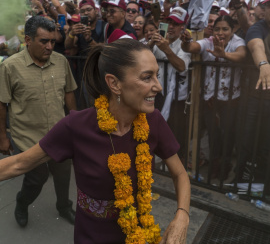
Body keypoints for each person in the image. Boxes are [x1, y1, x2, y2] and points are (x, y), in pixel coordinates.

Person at [0, 39, 191, 244]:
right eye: (147, 77)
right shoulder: (76, 126)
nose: (158, 86)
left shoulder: (154, 121)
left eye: (157, 76)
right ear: (114, 83)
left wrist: (182, 215)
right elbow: (19, 164)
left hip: (139, 233)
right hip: (91, 236)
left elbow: (180, 174)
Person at [0, 16, 77, 227]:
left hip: (59, 136)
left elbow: (69, 92)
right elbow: (2, 103)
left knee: (63, 175)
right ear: (27, 40)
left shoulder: (61, 62)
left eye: (52, 41)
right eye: (44, 41)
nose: (50, 46)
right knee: (37, 177)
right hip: (28, 139)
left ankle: (64, 206)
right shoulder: (10, 67)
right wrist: (2, 137)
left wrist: (77, 123)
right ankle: (22, 203)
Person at [181, 15, 247, 180]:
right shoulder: (208, 41)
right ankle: (215, 165)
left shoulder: (237, 42)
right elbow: (191, 48)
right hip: (210, 99)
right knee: (213, 134)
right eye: (217, 29)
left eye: (225, 29)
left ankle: (224, 165)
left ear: (232, 30)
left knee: (227, 134)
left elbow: (241, 56)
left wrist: (224, 54)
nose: (220, 32)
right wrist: (186, 42)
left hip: (231, 99)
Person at [237, 0, 270, 195]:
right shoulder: (258, 28)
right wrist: (264, 64)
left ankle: (263, 185)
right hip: (256, 98)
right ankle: (241, 181)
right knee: (247, 139)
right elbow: (256, 46)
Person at [151, 7, 191, 158]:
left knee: (173, 133)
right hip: (156, 93)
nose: (172, 27)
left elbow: (182, 67)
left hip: (175, 97)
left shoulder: (185, 44)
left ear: (183, 27)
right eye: (169, 22)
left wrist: (166, 49)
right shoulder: (158, 40)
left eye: (176, 23)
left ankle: (173, 165)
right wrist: (150, 43)